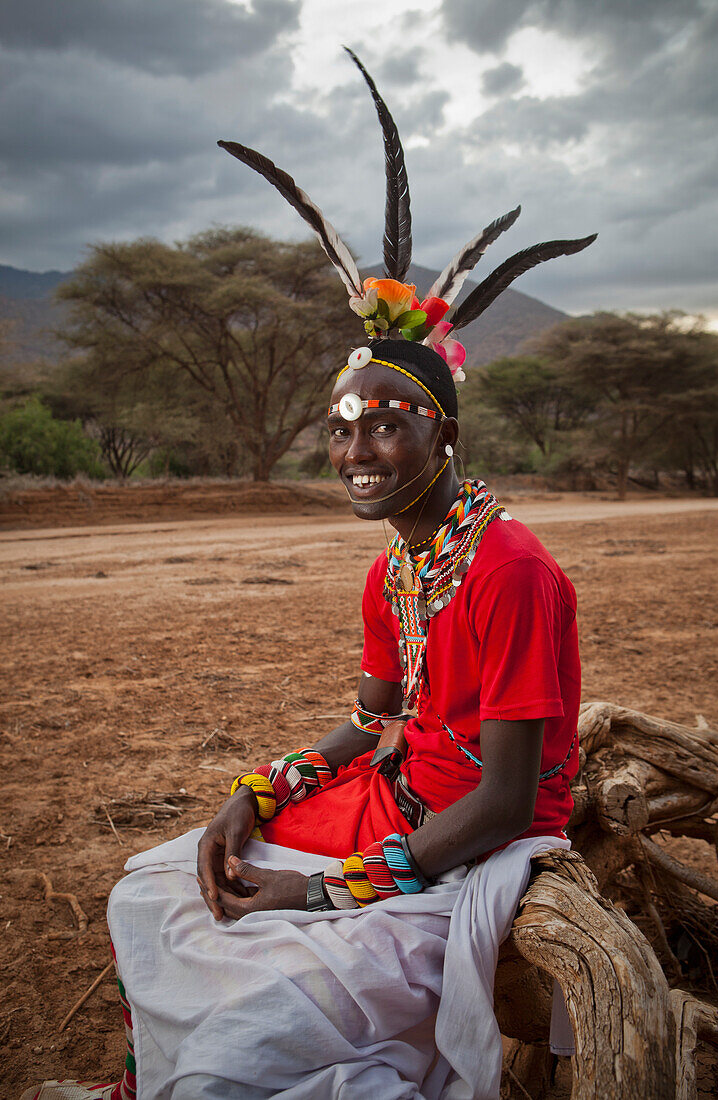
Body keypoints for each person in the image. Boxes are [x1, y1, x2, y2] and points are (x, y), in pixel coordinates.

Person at [24, 49, 594, 1100]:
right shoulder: (394, 575)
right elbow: (372, 720)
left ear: (446, 432)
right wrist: (257, 791)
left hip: (469, 844)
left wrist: (322, 893)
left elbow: (509, 800)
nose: (358, 449)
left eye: (389, 421)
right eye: (342, 427)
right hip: (391, 798)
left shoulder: (509, 570)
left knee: (263, 1012)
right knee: (159, 884)